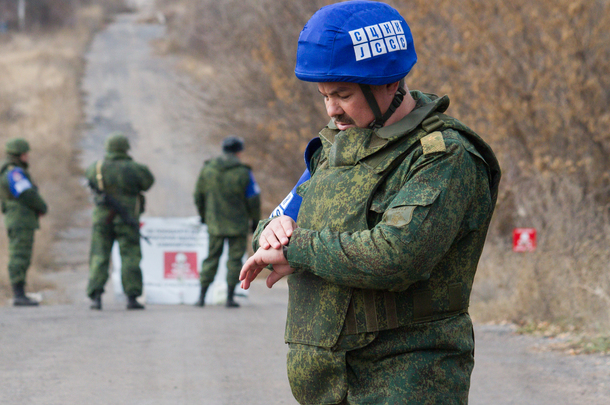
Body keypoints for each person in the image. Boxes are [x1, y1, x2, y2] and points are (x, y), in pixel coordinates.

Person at [239, 1, 501, 404]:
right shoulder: (337, 146)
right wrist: (271, 235)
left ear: (388, 84)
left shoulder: (444, 157)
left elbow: (397, 255)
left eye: (342, 94)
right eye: (325, 95)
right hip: (330, 384)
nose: (332, 110)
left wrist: (300, 248)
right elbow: (285, 219)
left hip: (406, 382)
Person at [85, 133, 154, 310]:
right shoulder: (136, 168)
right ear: (125, 148)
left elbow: (89, 178)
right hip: (127, 219)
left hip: (103, 220)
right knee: (130, 256)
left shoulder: (96, 168)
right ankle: (132, 297)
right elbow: (148, 182)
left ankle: (96, 296)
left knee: (99, 256)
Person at [194, 136, 261, 308]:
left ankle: (201, 297)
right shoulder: (243, 172)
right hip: (237, 224)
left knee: (211, 258)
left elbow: (198, 195)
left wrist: (204, 215)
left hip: (214, 223)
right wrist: (255, 221)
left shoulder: (208, 169)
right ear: (239, 152)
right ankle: (230, 298)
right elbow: (253, 199)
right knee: (235, 260)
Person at [0, 137, 48, 307]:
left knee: (22, 255)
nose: (27, 156)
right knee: (19, 255)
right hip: (20, 220)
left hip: (20, 219)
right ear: (18, 155)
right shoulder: (14, 172)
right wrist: (42, 206)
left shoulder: (13, 171)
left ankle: (20, 293)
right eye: (25, 154)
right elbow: (26, 193)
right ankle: (19, 295)